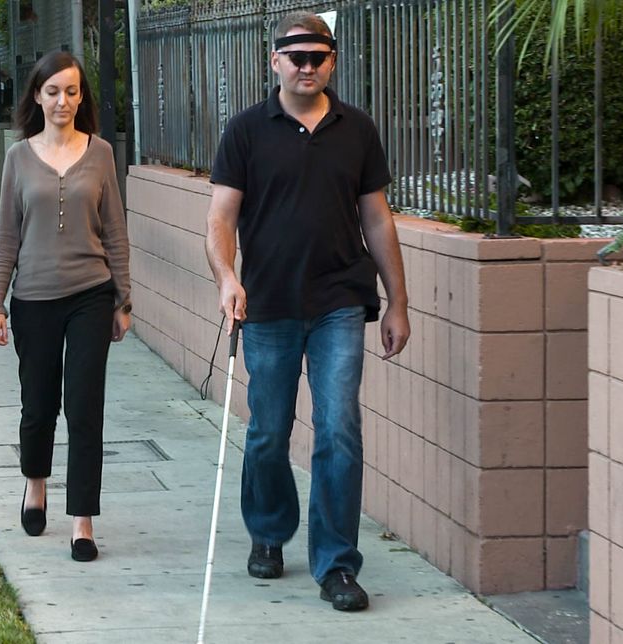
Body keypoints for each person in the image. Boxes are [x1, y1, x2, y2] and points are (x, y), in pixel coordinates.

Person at [204, 11, 410, 611]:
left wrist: (398, 300)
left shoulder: (357, 130)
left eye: (319, 56)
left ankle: (337, 565)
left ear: (333, 61)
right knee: (268, 431)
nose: (307, 66)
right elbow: (220, 218)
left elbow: (378, 218)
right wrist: (227, 277)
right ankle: (268, 532)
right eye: (296, 57)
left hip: (340, 301)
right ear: (275, 62)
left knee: (339, 428)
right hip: (266, 303)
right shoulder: (246, 131)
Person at [0, 50, 132, 563]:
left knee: (85, 409)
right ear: (37, 97)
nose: (63, 101)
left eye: (71, 91)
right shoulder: (17, 158)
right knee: (39, 404)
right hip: (33, 299)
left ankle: (82, 522)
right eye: (53, 91)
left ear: (81, 97)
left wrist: (123, 297)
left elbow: (115, 229)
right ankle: (35, 485)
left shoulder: (101, 154)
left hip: (91, 294)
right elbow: (6, 236)